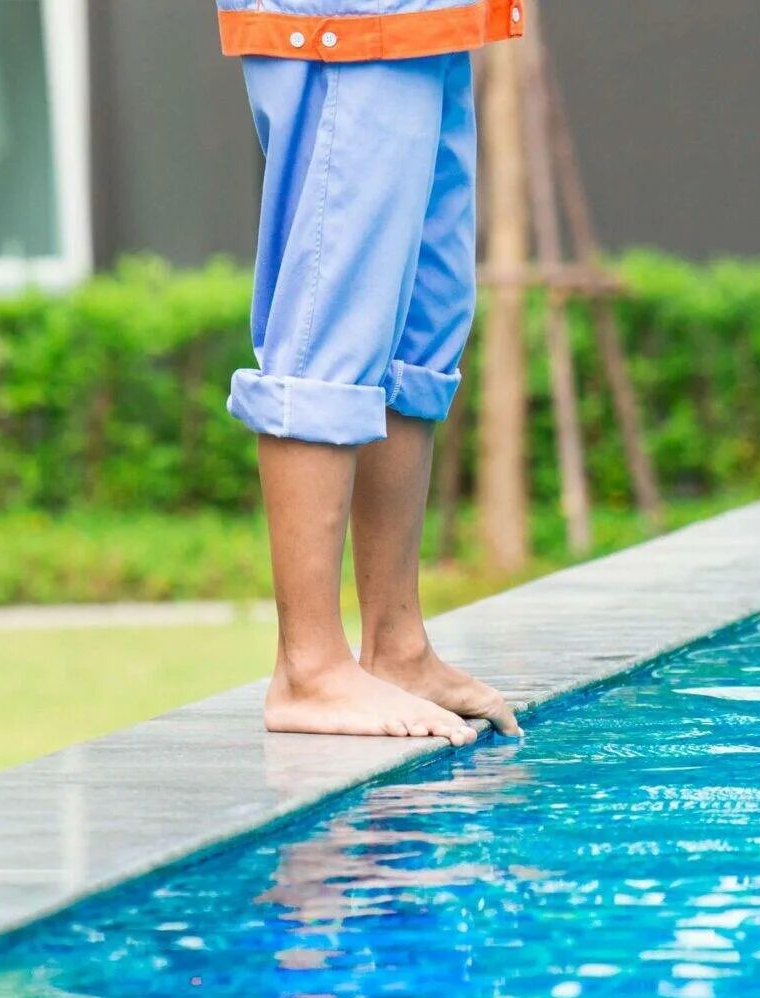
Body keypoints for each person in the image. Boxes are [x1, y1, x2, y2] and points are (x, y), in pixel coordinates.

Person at [218, 0, 529, 740]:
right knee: (336, 309)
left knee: (419, 328)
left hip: (438, 15)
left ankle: (396, 647)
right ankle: (309, 670)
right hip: (350, 15)